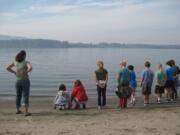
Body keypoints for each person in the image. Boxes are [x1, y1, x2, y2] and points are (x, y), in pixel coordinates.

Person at [6, 50, 32, 116]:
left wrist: (14, 72)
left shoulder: (15, 62)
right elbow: (30, 68)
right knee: (25, 95)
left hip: (18, 81)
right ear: (24, 56)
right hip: (25, 81)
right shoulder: (26, 62)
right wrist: (27, 71)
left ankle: (17, 110)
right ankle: (26, 112)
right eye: (25, 55)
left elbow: (7, 68)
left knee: (18, 95)